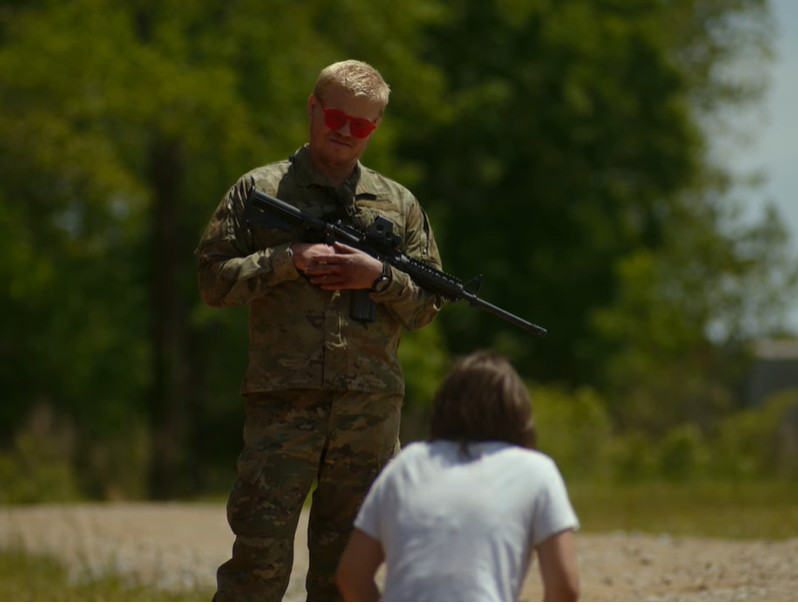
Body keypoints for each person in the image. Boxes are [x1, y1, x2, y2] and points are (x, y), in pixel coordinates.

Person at [194, 60, 444, 601]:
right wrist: (287, 260)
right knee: (257, 561)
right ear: (313, 108)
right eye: (336, 118)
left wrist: (378, 277)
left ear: (376, 127)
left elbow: (429, 306)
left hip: (368, 413)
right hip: (283, 404)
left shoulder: (400, 204)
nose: (346, 132)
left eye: (362, 125)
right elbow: (212, 282)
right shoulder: (258, 190)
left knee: (348, 573)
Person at [335, 351, 581, 602]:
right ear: (519, 412)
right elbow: (565, 587)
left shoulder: (407, 464)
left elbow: (351, 575)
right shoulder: (535, 470)